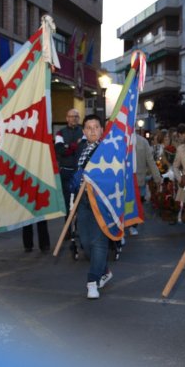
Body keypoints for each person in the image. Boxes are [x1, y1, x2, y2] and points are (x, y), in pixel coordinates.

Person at [72, 114, 112, 299]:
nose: (92, 130)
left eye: (96, 127)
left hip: (101, 201)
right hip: (83, 201)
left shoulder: (106, 149)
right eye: (88, 127)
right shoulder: (83, 149)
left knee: (99, 242)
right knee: (86, 242)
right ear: (84, 131)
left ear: (102, 130)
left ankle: (92, 281)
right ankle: (104, 270)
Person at [55, 108, 84, 257]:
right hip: (66, 172)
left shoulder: (84, 132)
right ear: (67, 118)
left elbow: (85, 148)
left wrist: (70, 147)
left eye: (76, 117)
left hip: (79, 172)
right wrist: (74, 146)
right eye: (71, 116)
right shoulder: (60, 133)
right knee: (67, 203)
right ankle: (67, 230)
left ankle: (78, 229)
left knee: (81, 202)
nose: (74, 119)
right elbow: (60, 150)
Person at [130, 131, 163, 235]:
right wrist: (157, 178)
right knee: (136, 204)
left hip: (136, 179)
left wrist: (157, 178)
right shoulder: (143, 141)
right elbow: (151, 161)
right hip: (136, 179)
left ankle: (131, 225)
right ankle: (132, 226)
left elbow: (150, 161)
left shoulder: (142, 142)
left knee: (130, 204)